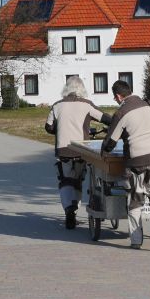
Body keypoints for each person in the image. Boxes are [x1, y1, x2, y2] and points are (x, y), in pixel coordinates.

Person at [101, 80, 150, 249]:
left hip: (135, 162)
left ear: (118, 96)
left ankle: (136, 240)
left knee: (135, 200)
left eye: (115, 97)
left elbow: (111, 141)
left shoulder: (121, 112)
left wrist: (103, 152)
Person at [45, 76, 111, 229]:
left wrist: (59, 129)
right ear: (82, 89)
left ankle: (69, 210)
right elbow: (104, 118)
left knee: (65, 179)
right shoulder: (86, 105)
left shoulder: (57, 105)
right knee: (78, 179)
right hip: (81, 149)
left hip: (63, 149)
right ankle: (74, 209)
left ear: (66, 89)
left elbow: (48, 127)